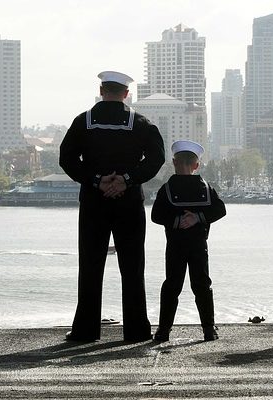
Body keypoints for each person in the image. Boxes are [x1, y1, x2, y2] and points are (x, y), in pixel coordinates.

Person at [59, 71, 165, 342]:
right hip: (129, 202)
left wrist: (96, 180)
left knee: (91, 266)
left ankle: (85, 330)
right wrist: (127, 180)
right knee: (132, 267)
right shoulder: (140, 123)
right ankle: (137, 329)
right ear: (126, 94)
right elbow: (156, 158)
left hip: (94, 202)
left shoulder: (84, 121)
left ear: (101, 90)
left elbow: (67, 159)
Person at [151, 140, 226, 342]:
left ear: (174, 163)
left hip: (175, 244)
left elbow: (156, 215)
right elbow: (220, 209)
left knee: (172, 286)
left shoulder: (166, 189)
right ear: (197, 165)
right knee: (202, 285)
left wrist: (177, 221)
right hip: (199, 244)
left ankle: (163, 331)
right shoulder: (206, 188)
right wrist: (198, 217)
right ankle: (209, 330)